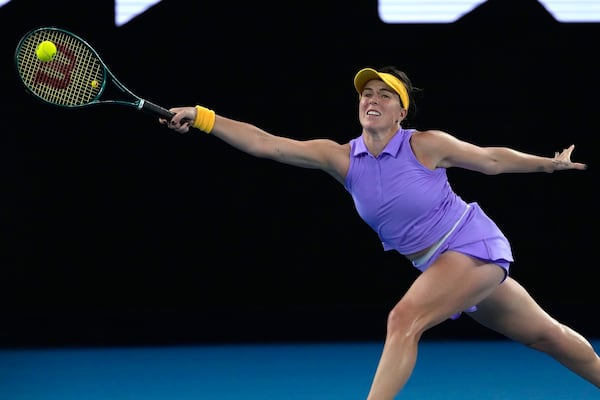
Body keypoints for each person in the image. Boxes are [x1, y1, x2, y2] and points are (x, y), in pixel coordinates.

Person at [160, 66, 599, 398]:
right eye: (367, 94)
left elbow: (492, 159)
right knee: (548, 336)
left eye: (385, 95)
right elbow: (265, 143)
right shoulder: (340, 158)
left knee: (403, 319)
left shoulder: (423, 144)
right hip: (440, 264)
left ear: (401, 111)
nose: (373, 99)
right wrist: (202, 117)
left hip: (470, 244)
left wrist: (549, 163)